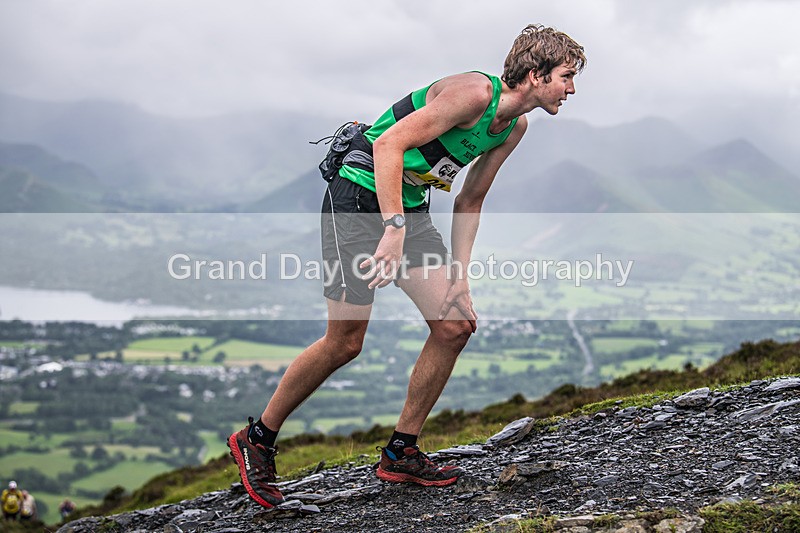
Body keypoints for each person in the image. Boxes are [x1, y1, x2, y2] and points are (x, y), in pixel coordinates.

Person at [228, 23, 586, 508]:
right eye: (566, 76)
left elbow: (470, 200)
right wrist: (393, 229)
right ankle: (257, 439)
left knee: (454, 325)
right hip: (357, 196)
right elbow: (387, 145)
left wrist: (459, 277)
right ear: (536, 73)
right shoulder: (473, 94)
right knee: (345, 342)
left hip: (407, 207)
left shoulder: (513, 127)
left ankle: (401, 451)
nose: (571, 88)